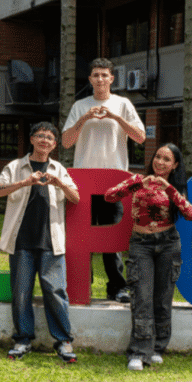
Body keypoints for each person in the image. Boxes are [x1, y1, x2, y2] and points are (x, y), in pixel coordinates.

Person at [0, 122, 80, 363]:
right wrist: (23, 183)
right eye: (40, 135)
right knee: (21, 292)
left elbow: (76, 197)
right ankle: (22, 339)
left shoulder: (58, 168)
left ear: (54, 144)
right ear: (31, 139)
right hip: (21, 241)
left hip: (51, 241)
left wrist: (59, 183)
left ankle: (63, 341)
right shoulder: (15, 166)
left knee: (55, 291)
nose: (44, 140)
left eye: (49, 138)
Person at [105, 144, 192, 371]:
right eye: (158, 157)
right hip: (141, 245)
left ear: (175, 165)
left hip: (168, 243)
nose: (160, 162)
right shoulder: (139, 180)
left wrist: (170, 190)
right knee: (141, 298)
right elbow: (109, 196)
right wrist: (138, 184)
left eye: (167, 159)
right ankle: (138, 352)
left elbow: (190, 213)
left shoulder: (176, 187)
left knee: (163, 299)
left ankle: (157, 348)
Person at [61, 57, 145, 303]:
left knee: (112, 239)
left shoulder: (123, 104)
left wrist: (116, 118)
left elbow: (140, 137)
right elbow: (66, 142)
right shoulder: (80, 105)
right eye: (95, 75)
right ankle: (80, 285)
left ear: (111, 78)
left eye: (104, 75)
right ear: (90, 79)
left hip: (114, 182)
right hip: (83, 183)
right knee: (80, 238)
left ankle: (117, 287)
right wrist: (83, 119)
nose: (100, 79)